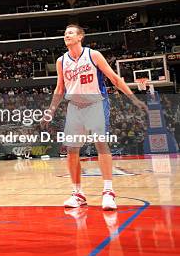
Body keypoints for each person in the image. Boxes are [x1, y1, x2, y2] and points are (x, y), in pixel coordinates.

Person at [44, 24, 147, 210]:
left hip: (96, 104)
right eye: (65, 33)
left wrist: (133, 99)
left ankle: (108, 192)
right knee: (71, 150)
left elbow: (114, 79)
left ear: (80, 37)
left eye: (71, 33)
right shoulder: (61, 61)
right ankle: (77, 194)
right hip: (74, 107)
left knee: (100, 143)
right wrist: (50, 110)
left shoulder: (93, 55)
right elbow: (60, 88)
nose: (66, 35)